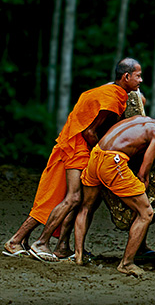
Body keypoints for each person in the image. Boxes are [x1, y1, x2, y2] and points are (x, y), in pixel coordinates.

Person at [3, 58, 143, 261]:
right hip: (76, 147)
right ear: (126, 77)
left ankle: (54, 246)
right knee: (73, 198)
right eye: (138, 76)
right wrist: (100, 155)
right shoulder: (111, 99)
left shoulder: (110, 91)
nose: (140, 80)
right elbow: (89, 132)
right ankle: (35, 242)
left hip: (73, 144)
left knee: (59, 197)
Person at [73, 103, 155, 277]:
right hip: (113, 162)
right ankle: (126, 263)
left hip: (96, 156)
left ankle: (78, 256)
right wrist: (141, 194)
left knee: (86, 207)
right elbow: (143, 174)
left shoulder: (138, 119)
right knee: (146, 213)